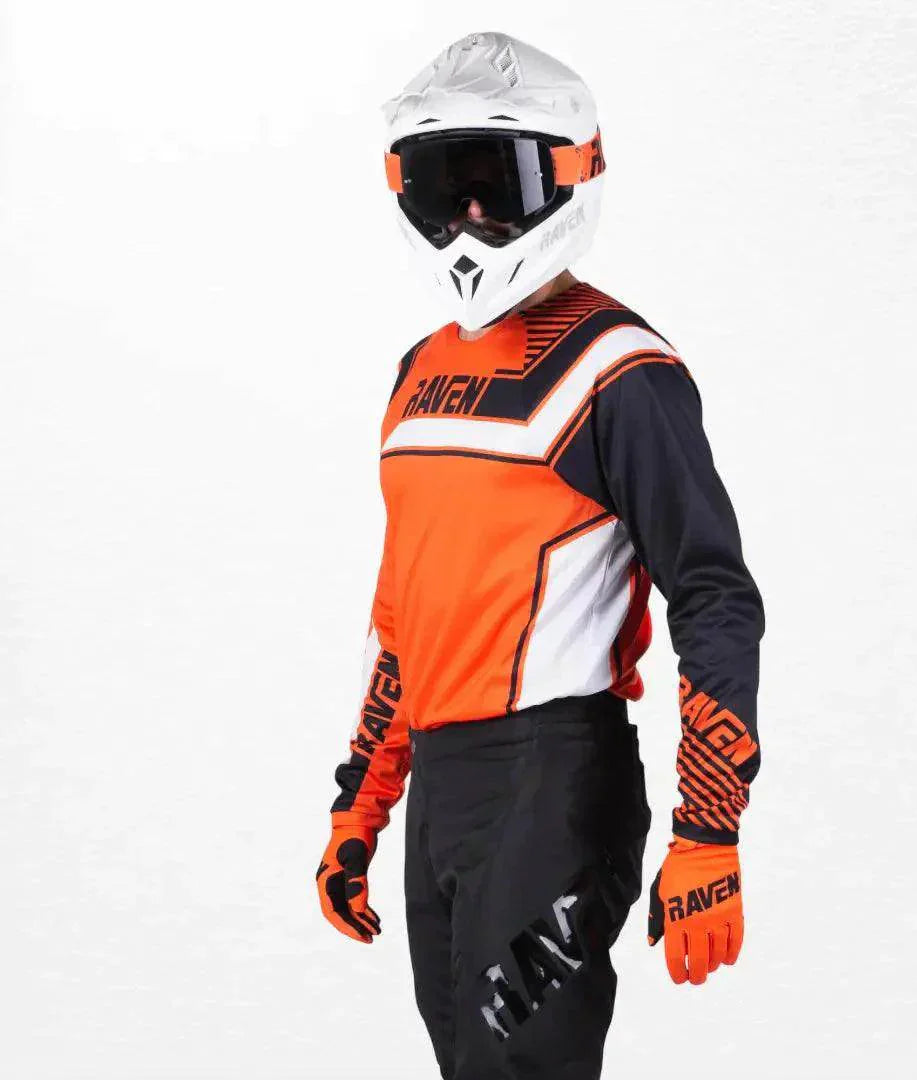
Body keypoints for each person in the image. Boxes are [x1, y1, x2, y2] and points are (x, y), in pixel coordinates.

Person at [316, 31, 765, 1080]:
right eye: (445, 185)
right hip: (443, 783)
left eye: (500, 183)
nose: (472, 215)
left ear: (570, 175)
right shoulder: (417, 375)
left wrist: (709, 824)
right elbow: (406, 612)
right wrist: (360, 806)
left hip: (552, 780)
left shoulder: (619, 368)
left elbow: (712, 593)